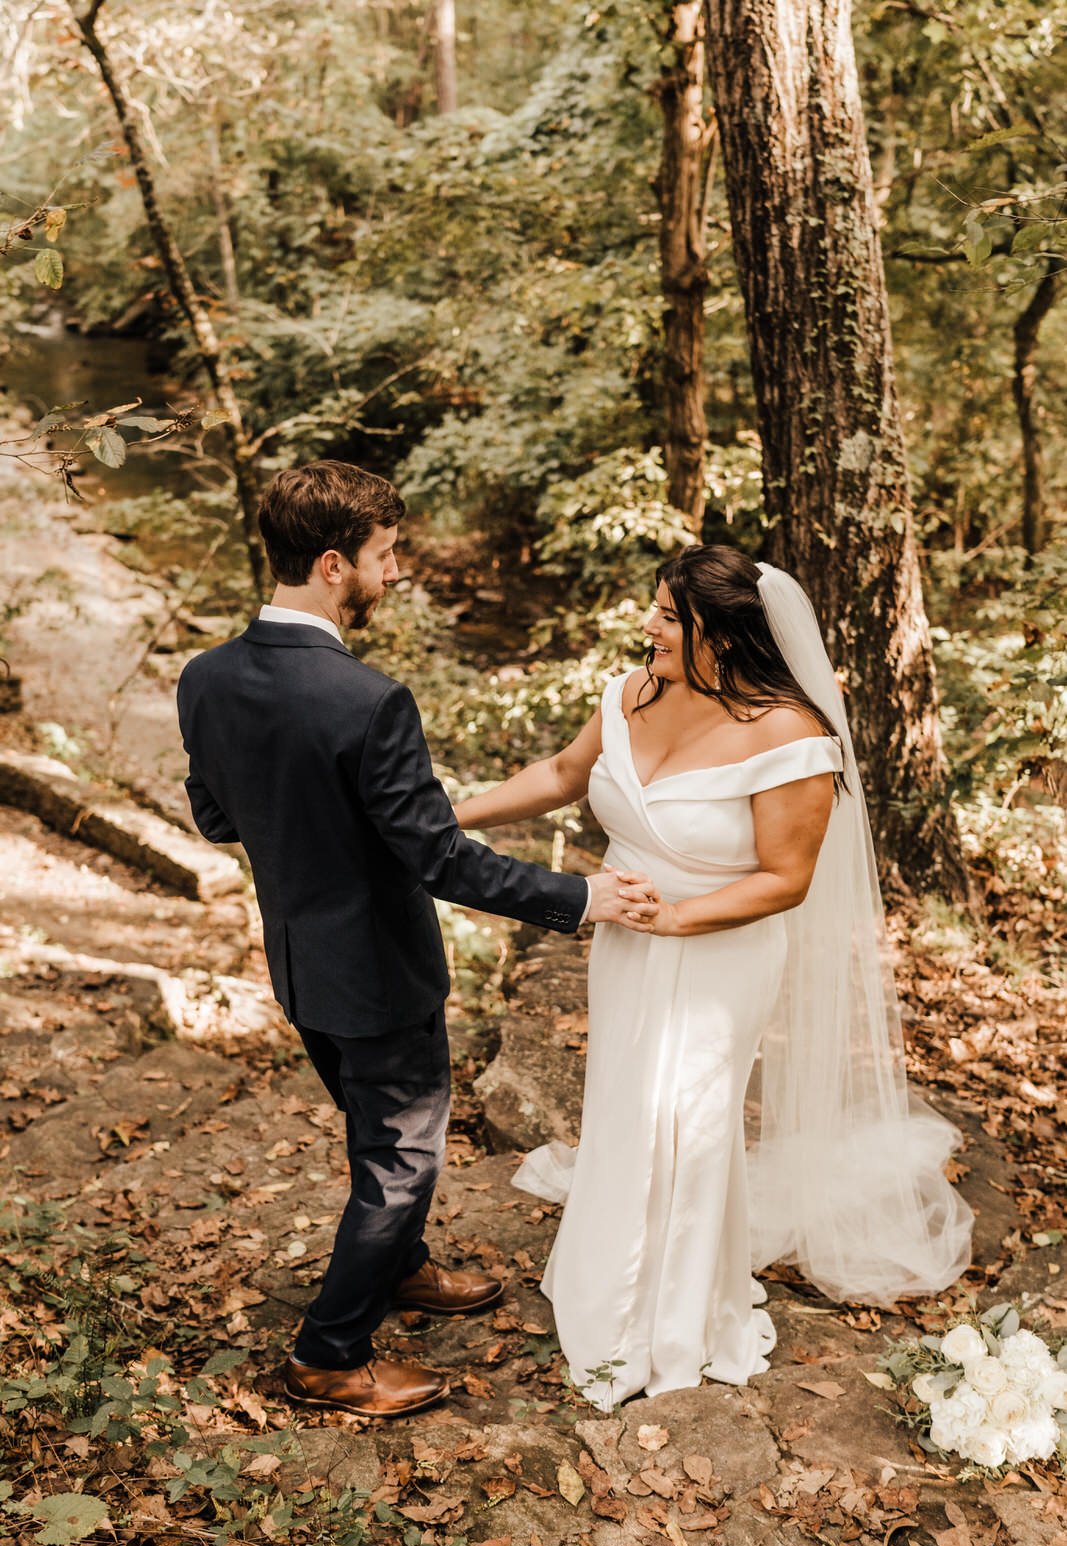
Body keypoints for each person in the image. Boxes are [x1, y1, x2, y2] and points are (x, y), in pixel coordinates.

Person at [176, 459, 656, 1420]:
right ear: (329, 563)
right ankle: (328, 1354)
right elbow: (441, 861)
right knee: (403, 1158)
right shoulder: (369, 700)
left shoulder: (207, 676)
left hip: (299, 963)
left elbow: (216, 818)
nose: (393, 573)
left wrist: (305, 822)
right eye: (384, 556)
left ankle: (402, 1268)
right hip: (379, 972)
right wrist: (582, 896)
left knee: (377, 1138)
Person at [455, 543, 973, 1410]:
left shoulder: (790, 735)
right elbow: (558, 775)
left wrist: (675, 916)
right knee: (625, 1103)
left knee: (685, 1120)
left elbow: (784, 879)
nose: (648, 627)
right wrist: (438, 818)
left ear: (724, 637)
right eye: (654, 608)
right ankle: (604, 1279)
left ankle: (671, 1318)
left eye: (668, 616)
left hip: (718, 951)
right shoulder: (631, 693)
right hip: (627, 944)